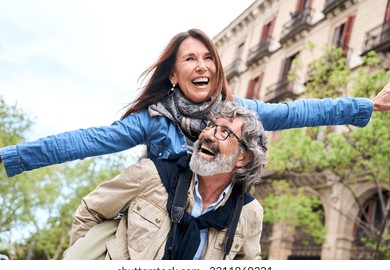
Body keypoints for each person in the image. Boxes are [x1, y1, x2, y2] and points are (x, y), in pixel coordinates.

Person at [0, 29, 389, 177]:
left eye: (208, 58)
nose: (201, 65)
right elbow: (86, 141)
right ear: (173, 75)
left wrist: (366, 106)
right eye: (189, 59)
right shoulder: (153, 120)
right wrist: (10, 157)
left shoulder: (240, 111)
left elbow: (300, 111)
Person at [64, 101, 267, 260]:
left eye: (225, 132)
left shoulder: (249, 213)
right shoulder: (150, 174)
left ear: (243, 158)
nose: (208, 135)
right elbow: (91, 210)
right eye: (211, 126)